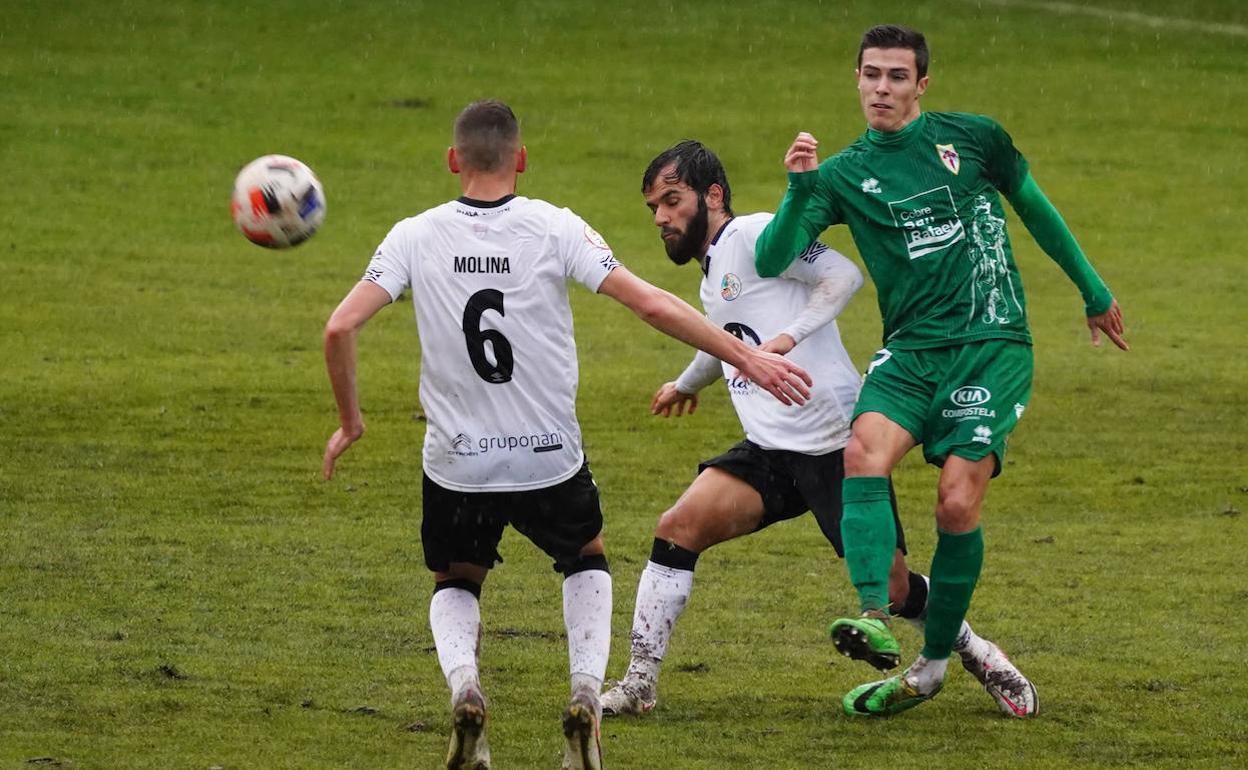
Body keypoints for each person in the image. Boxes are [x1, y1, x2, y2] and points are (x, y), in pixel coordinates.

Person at [320, 100, 812, 770]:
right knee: (584, 556)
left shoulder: (413, 236)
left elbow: (339, 328)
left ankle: (467, 688)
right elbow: (649, 301)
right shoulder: (553, 227)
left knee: (456, 577)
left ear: (452, 160)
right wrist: (745, 356)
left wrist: (351, 423)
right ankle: (584, 695)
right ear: (520, 158)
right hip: (548, 458)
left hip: (457, 462)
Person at [755, 24, 1129, 717]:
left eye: (897, 77)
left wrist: (1094, 290)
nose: (882, 88)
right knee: (862, 451)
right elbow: (776, 255)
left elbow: (1036, 210)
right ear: (857, 79)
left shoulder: (975, 139)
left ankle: (930, 666)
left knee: (957, 501)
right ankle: (871, 612)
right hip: (912, 349)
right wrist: (796, 187)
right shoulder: (840, 174)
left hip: (991, 342)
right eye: (871, 74)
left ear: (921, 85)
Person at [600, 140, 1036, 720]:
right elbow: (729, 337)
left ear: (712, 195)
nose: (661, 218)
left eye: (671, 201)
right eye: (654, 206)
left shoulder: (756, 235)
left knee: (897, 590)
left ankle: (977, 651)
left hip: (834, 444)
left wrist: (787, 339)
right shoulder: (715, 268)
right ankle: (638, 685)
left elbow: (843, 275)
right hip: (771, 449)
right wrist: (687, 383)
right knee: (677, 529)